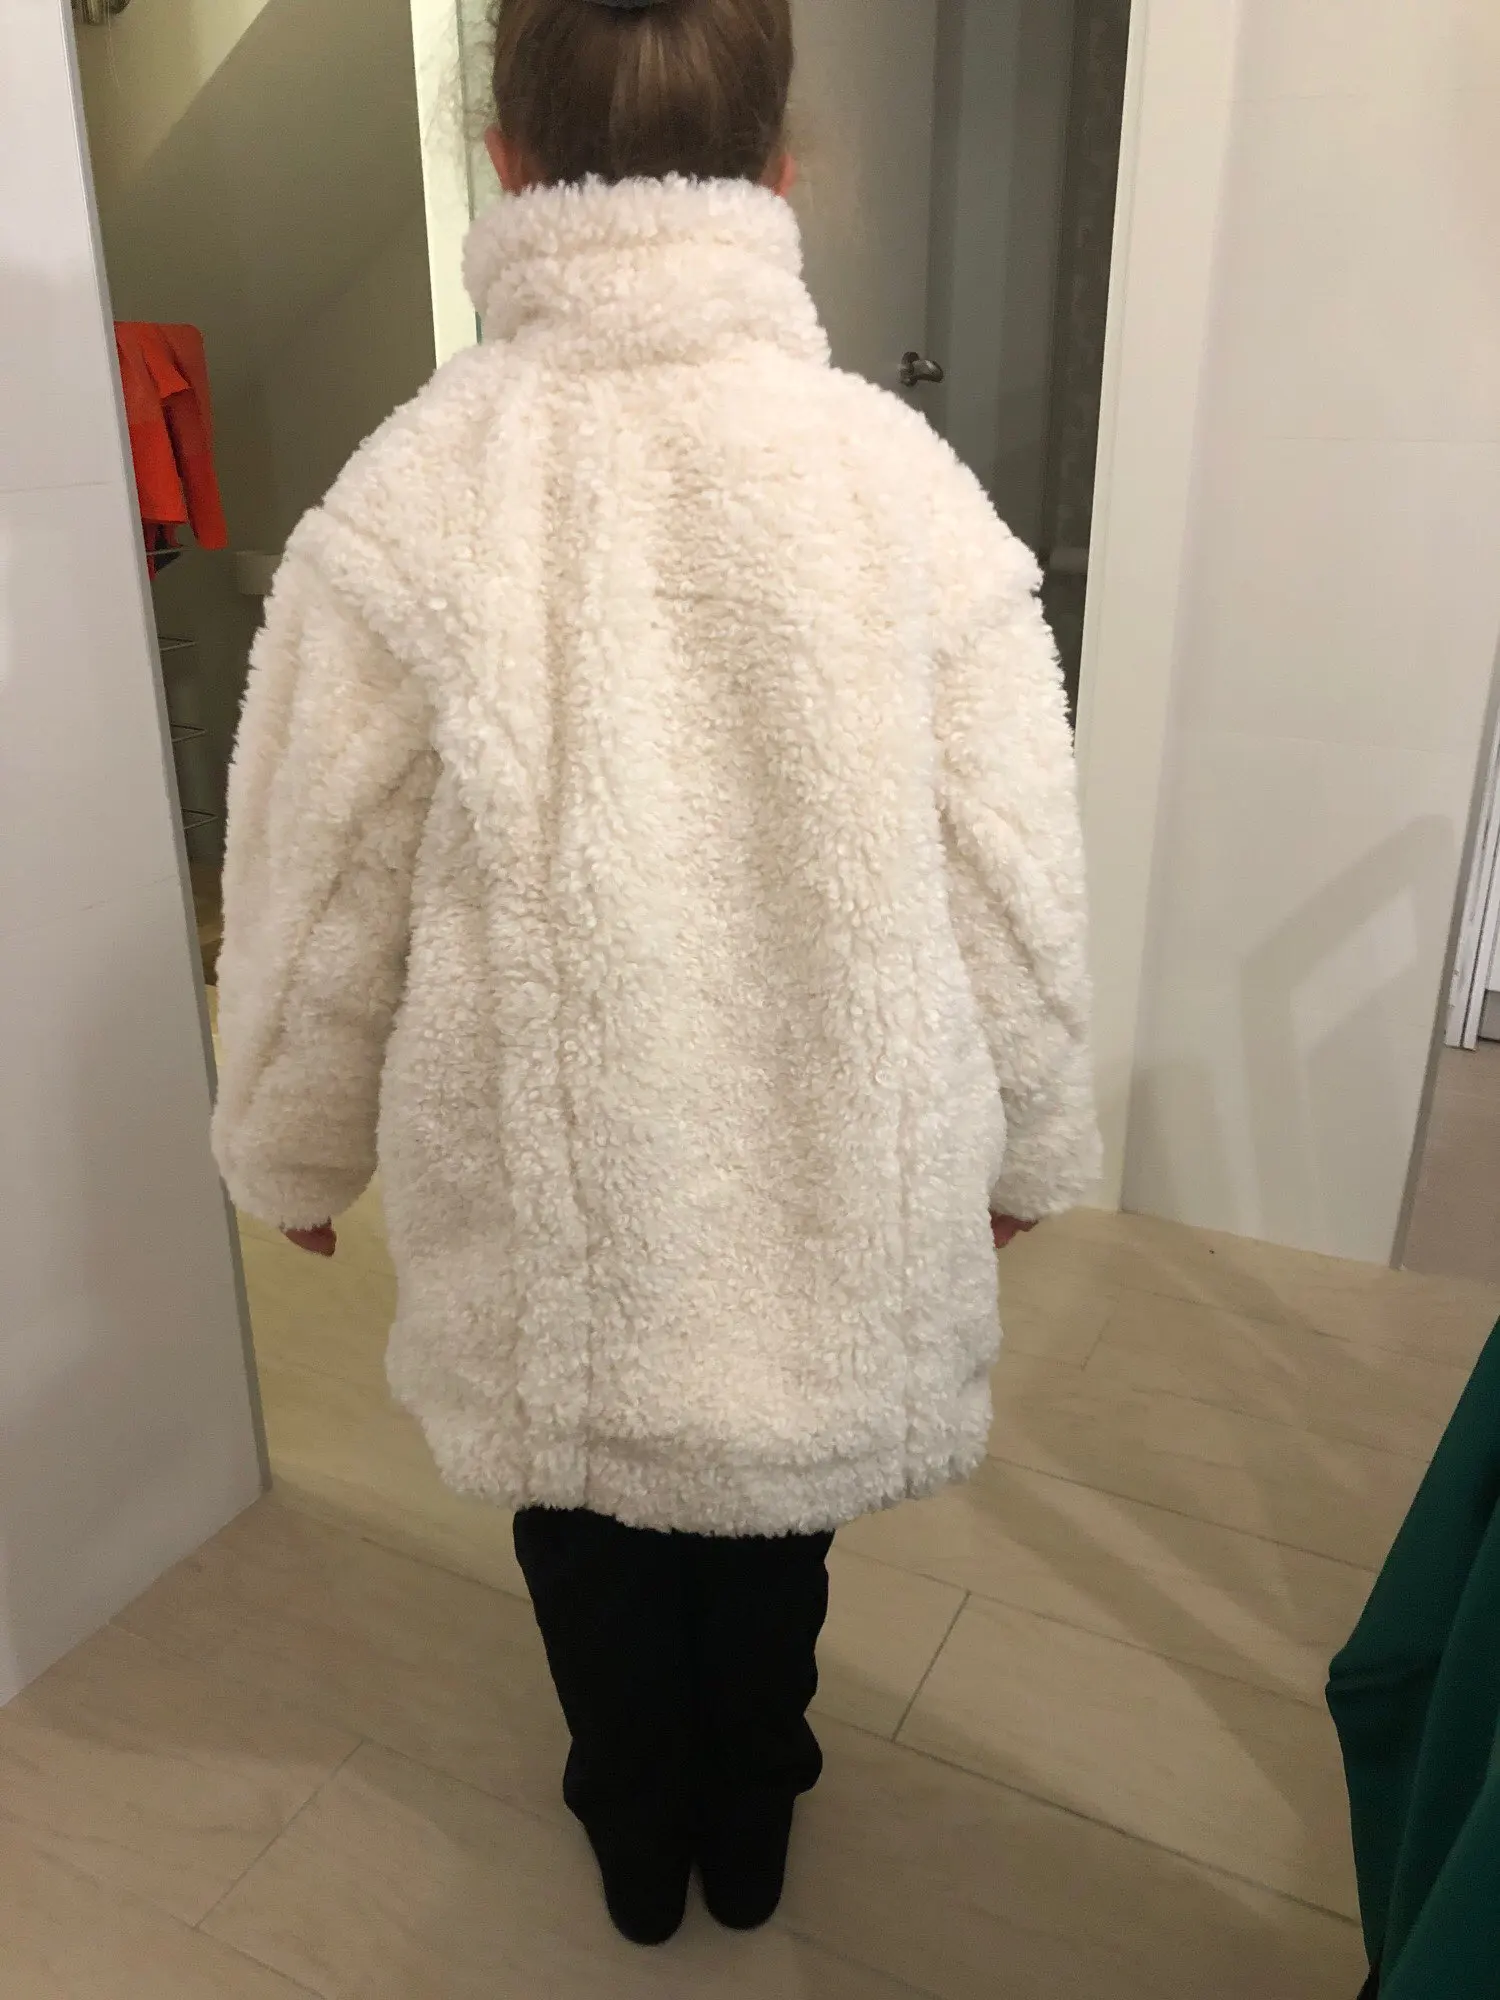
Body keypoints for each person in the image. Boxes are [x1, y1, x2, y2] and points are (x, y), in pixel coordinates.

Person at [211, 0, 1099, 1950]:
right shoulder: (897, 486)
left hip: (559, 1211)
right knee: (777, 1522)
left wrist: (292, 1140)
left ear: (506, 161)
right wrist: (1031, 1131)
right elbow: (1014, 869)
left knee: (585, 1529)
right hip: (819, 1171)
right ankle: (752, 1793)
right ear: (782, 167)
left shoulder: (415, 489)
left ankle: (632, 1812)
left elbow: (316, 874)